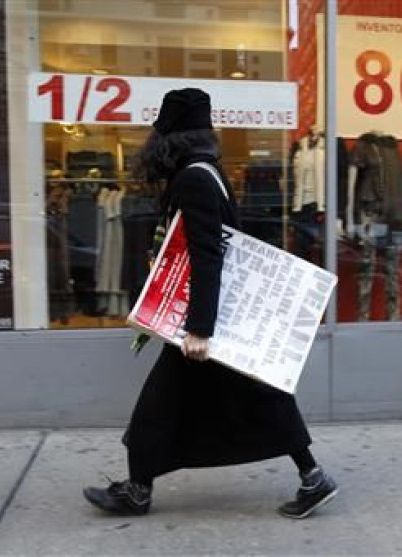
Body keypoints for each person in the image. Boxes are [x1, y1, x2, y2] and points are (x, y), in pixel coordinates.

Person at [82, 88, 338, 519]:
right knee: (257, 395)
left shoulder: (193, 179)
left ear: (171, 138)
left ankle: (137, 491)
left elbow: (207, 253)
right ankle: (312, 478)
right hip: (210, 312)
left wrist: (200, 328)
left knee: (163, 403)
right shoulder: (207, 171)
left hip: (204, 316)